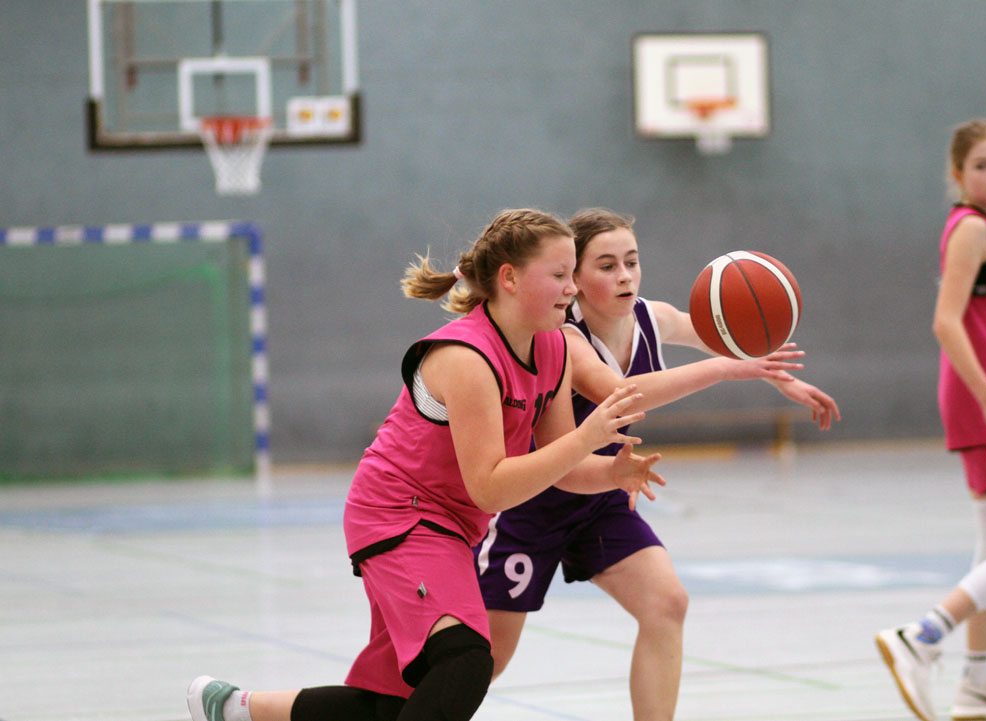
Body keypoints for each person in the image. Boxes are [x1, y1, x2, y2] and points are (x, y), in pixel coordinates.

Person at [185, 208, 667, 721]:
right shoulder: (466, 356)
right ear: (509, 277)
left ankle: (237, 709)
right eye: (558, 275)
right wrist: (587, 439)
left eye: (572, 274)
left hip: (453, 527)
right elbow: (491, 489)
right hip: (400, 514)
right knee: (465, 661)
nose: (572, 288)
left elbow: (561, 467)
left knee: (394, 702)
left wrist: (608, 473)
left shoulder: (553, 346)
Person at [474, 207, 841, 721]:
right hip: (532, 505)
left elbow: (732, 340)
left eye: (631, 261)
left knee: (667, 604)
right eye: (606, 265)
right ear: (573, 280)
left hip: (602, 499)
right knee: (488, 660)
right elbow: (621, 394)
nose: (624, 275)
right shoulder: (565, 336)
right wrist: (725, 369)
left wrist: (776, 376)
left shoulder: (653, 317)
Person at [876, 119, 986, 721]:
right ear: (958, 175)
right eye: (982, 164)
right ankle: (921, 637)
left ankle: (979, 681)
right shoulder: (972, 229)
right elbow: (946, 322)